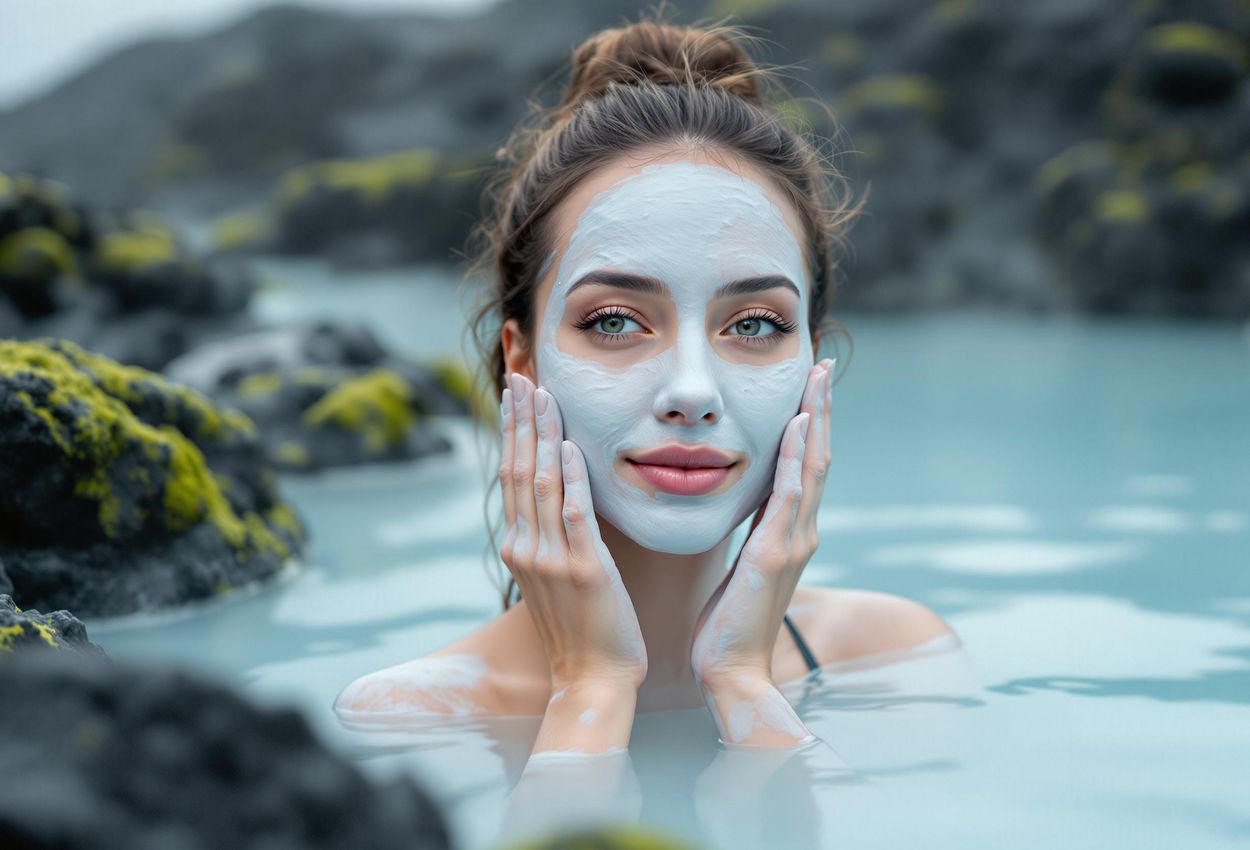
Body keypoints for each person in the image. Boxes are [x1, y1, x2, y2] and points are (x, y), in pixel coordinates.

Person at [336, 20, 957, 759]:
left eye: (755, 325)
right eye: (615, 321)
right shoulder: (411, 721)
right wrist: (591, 689)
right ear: (522, 361)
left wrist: (741, 683)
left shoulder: (897, 661)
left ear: (811, 369)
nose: (692, 393)